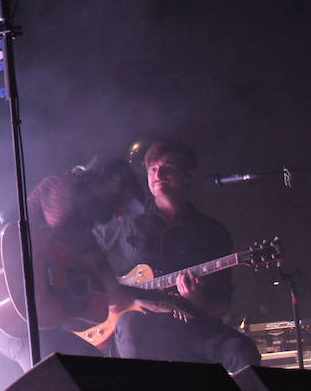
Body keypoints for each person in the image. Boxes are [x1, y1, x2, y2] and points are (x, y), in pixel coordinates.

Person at [95, 139, 260, 373]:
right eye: (153, 169)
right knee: (132, 329)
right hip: (137, 323)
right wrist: (117, 294)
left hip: (192, 325)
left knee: (242, 350)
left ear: (187, 176)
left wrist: (198, 300)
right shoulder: (125, 222)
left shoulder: (212, 232)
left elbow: (223, 305)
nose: (158, 174)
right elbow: (85, 257)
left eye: (168, 168)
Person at [0, 155, 148, 369]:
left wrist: (110, 291)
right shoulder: (63, 187)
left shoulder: (80, 226)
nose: (120, 216)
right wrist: (110, 285)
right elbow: (68, 229)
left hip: (44, 323)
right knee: (59, 386)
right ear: (114, 181)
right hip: (13, 320)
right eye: (123, 204)